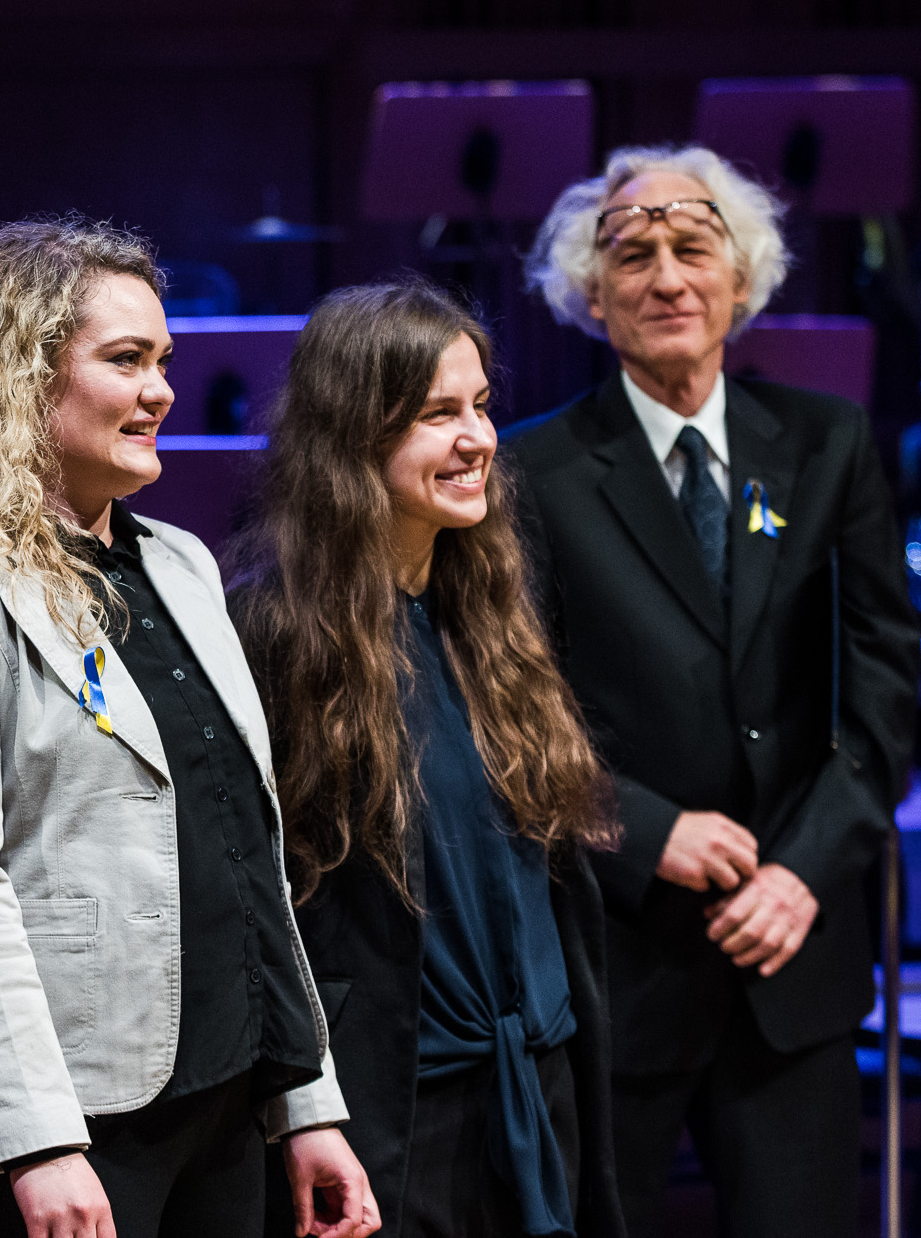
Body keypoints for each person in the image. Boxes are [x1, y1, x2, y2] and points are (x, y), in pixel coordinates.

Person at [0, 219, 377, 1238]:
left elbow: (245, 846)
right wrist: (34, 1140)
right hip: (72, 1124)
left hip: (226, 1093)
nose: (162, 391)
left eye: (163, 360)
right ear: (20, 378)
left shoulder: (180, 561)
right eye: (126, 360)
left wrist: (305, 1103)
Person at [509, 145, 918, 1237]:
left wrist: (802, 871)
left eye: (693, 248)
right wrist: (645, 831)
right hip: (618, 958)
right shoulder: (529, 470)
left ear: (741, 280)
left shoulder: (828, 442)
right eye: (631, 256)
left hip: (791, 959)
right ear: (590, 297)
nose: (666, 278)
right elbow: (509, 712)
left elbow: (881, 688)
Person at [228, 281, 625, 1238]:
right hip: (395, 1111)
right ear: (354, 434)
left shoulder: (489, 603)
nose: (478, 438)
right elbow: (257, 900)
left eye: (481, 405)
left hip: (541, 1088)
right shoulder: (272, 628)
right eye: (438, 414)